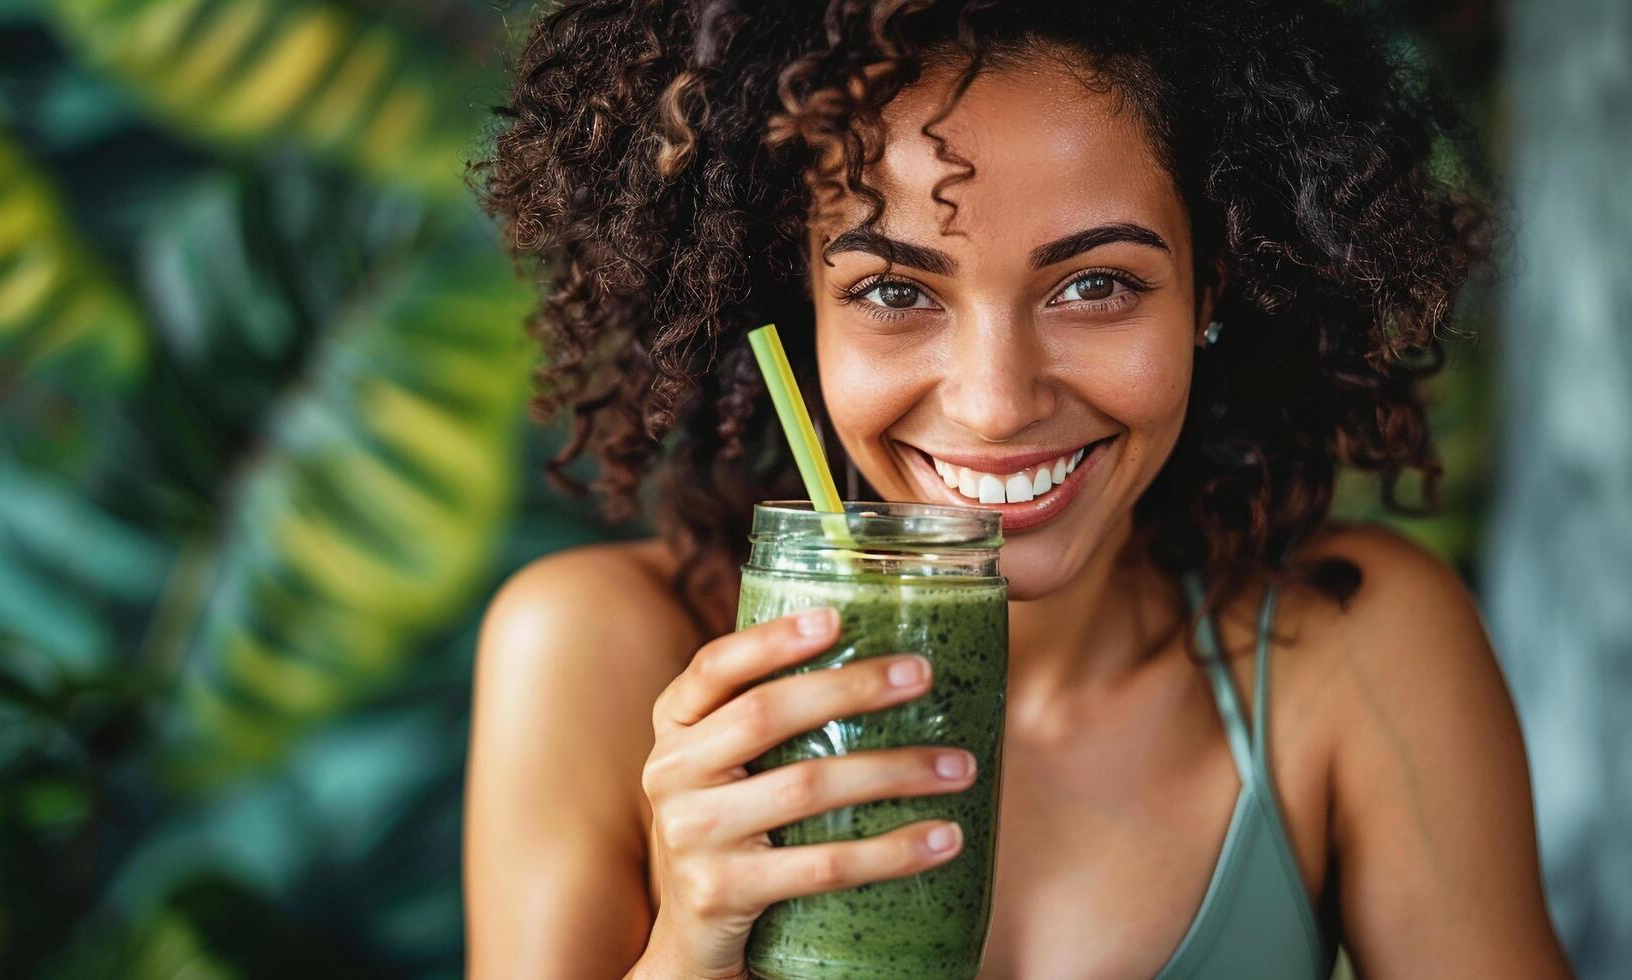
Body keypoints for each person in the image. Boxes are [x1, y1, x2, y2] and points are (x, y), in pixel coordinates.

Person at [464, 1, 1572, 976]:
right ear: (800, 307)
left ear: (1210, 290)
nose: (996, 403)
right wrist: (684, 958)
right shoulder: (594, 650)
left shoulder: (1354, 643)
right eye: (896, 289)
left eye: (1095, 284)